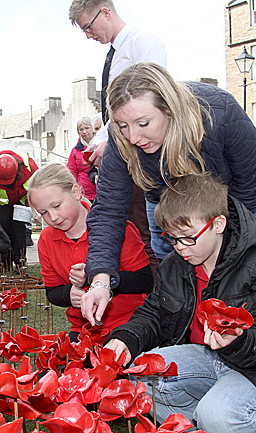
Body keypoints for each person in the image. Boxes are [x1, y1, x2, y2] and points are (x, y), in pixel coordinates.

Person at [103, 174, 256, 432]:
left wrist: (239, 340)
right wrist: (126, 338)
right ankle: (204, 421)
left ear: (218, 224)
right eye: (172, 238)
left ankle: (245, 420)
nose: (179, 247)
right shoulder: (175, 266)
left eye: (188, 237)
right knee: (141, 375)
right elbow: (154, 313)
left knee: (218, 412)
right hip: (204, 357)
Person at [81, 62, 256, 323]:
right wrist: (101, 280)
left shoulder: (220, 111)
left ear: (169, 110)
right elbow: (108, 210)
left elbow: (250, 181)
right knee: (174, 266)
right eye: (123, 125)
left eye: (143, 123)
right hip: (164, 195)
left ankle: (238, 326)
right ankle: (183, 324)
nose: (133, 137)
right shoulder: (121, 139)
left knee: (234, 265)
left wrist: (221, 240)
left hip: (235, 194)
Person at [70, 0, 166, 275]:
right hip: (124, 155)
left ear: (106, 12)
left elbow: (152, 100)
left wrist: (110, 141)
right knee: (139, 232)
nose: (88, 35)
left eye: (88, 26)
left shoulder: (142, 42)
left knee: (154, 237)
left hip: (144, 158)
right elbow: (115, 113)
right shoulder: (115, 53)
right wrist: (101, 141)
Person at [27, 164, 152, 341]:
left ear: (76, 192)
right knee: (63, 367)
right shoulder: (46, 239)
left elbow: (145, 281)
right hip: (83, 328)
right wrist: (69, 294)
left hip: (128, 323)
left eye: (57, 205)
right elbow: (52, 292)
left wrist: (100, 279)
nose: (53, 217)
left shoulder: (118, 229)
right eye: (44, 212)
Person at [0, 150, 38, 268]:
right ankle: (5, 262)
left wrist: (35, 207)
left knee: (19, 230)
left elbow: (39, 185)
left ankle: (20, 262)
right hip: (2, 205)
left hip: (21, 201)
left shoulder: (29, 167)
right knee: (3, 231)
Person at [67, 116, 97, 201]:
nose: (84, 132)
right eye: (81, 129)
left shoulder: (101, 145)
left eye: (87, 128)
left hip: (102, 189)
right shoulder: (75, 150)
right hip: (85, 193)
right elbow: (72, 171)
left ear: (93, 128)